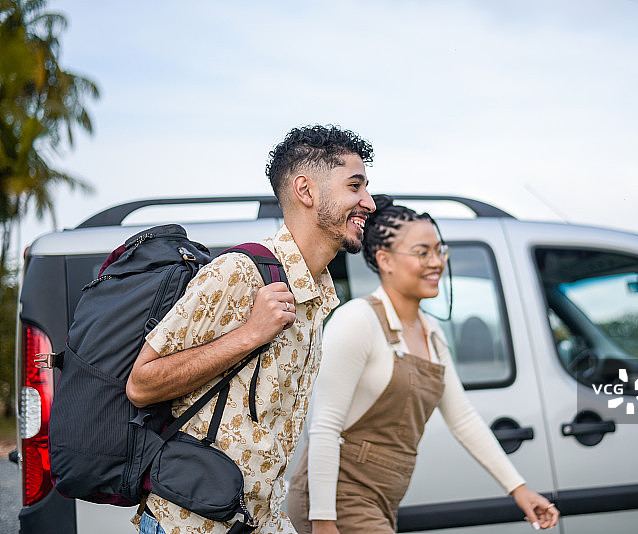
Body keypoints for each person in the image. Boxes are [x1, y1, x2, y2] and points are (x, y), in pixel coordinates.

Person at [125, 125, 376, 534]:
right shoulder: (239, 272)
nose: (369, 202)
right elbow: (141, 384)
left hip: (258, 520)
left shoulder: (317, 295)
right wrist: (249, 334)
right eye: (355, 186)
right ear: (306, 190)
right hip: (187, 524)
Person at [286, 195, 560, 533]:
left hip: (382, 497)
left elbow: (462, 417)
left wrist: (519, 489)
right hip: (336, 499)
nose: (436, 262)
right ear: (385, 260)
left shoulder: (432, 334)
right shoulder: (357, 320)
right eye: (422, 252)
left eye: (439, 251)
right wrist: (324, 521)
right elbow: (325, 426)